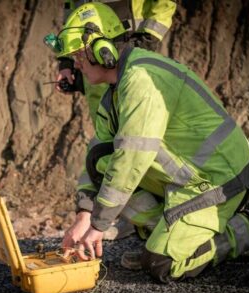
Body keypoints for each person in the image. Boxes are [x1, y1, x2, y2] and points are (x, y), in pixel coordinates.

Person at [46, 2, 249, 282]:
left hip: (221, 180)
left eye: (79, 54)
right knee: (101, 160)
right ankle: (168, 234)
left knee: (163, 263)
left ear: (102, 50)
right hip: (192, 180)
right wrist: (84, 215)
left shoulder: (142, 80)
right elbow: (98, 154)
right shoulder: (115, 93)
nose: (76, 63)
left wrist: (99, 225)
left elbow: (131, 159)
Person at [49, 0, 177, 240]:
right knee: (106, 147)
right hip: (95, 56)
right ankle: (139, 220)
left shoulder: (142, 87)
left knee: (133, 148)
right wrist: (69, 61)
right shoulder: (85, 63)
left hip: (124, 46)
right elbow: (101, 149)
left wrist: (148, 36)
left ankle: (165, 221)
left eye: (75, 59)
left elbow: (132, 155)